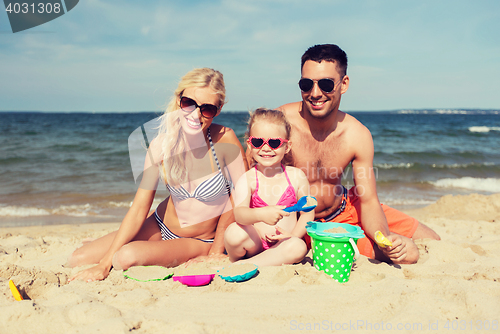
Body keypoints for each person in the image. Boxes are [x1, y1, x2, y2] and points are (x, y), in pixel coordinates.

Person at [68, 68, 248, 282]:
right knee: (78, 259)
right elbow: (139, 209)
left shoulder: (225, 140)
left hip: (198, 240)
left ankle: (147, 249)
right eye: (189, 103)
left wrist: (216, 251)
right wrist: (102, 264)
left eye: (207, 108)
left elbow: (239, 197)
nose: (195, 114)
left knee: (125, 257)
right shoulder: (161, 145)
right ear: (179, 100)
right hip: (159, 224)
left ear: (218, 110)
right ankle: (125, 246)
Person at [278, 44, 440, 264]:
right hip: (298, 223)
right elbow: (251, 179)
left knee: (432, 240)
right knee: (402, 256)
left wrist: (383, 237)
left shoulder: (357, 134)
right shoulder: (280, 122)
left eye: (326, 84)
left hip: (346, 208)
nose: (315, 94)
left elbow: (369, 199)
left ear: (343, 84)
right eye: (306, 84)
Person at [224, 108, 314, 266]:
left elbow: (307, 213)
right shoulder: (248, 178)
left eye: (274, 143)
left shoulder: (297, 176)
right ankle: (249, 261)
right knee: (233, 232)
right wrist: (262, 214)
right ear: (250, 145)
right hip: (256, 244)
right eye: (258, 142)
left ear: (287, 147)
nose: (266, 148)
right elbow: (239, 214)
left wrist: (292, 235)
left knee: (299, 247)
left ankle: (242, 265)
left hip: (284, 243)